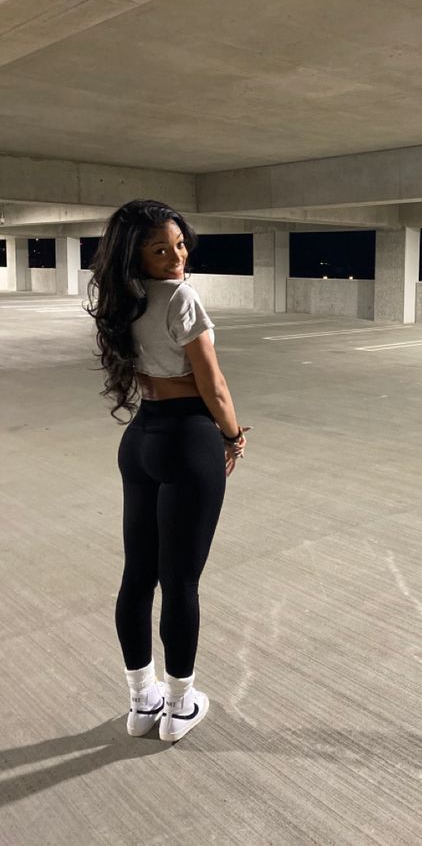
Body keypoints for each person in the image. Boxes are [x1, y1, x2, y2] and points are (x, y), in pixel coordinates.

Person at [85, 199, 248, 743]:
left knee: (138, 577)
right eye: (161, 250)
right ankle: (179, 707)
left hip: (142, 438)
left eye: (180, 245)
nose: (177, 257)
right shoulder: (181, 298)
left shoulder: (121, 301)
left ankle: (141, 703)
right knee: (180, 582)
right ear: (137, 255)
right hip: (188, 439)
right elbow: (213, 384)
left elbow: (144, 372)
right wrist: (232, 433)